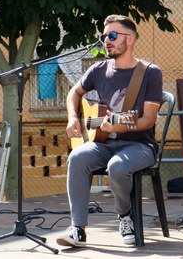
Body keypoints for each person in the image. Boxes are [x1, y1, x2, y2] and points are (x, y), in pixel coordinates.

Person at [56, 14, 163, 247]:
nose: (106, 40)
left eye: (112, 35)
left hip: (140, 145)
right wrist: (73, 118)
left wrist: (121, 125)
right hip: (103, 142)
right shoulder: (98, 69)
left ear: (130, 39)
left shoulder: (150, 72)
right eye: (104, 36)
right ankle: (78, 229)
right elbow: (74, 93)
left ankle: (125, 216)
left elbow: (146, 120)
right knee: (77, 157)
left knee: (117, 166)